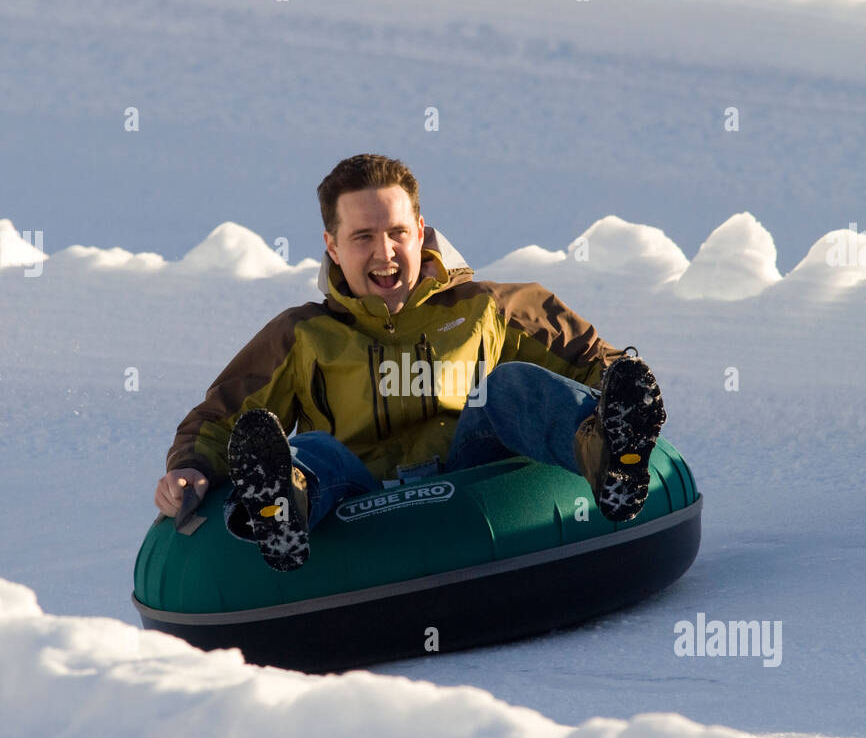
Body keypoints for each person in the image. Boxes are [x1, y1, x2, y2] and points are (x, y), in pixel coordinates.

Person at [154, 154, 666, 571]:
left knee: (508, 387)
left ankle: (609, 459)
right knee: (312, 448)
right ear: (332, 246)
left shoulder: (486, 307)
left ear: (421, 231)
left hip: (476, 475)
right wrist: (190, 468)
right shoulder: (302, 334)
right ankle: (281, 503)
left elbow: (595, 362)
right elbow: (221, 418)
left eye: (397, 232)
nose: (386, 252)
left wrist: (622, 395)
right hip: (358, 498)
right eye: (362, 237)